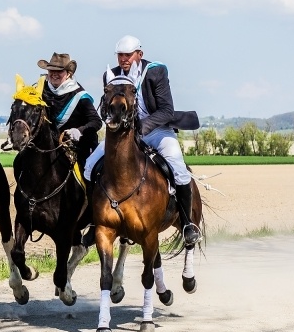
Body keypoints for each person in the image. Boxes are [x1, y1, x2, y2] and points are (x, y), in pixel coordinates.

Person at [83, 35, 202, 244]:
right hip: (124, 134)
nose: (124, 59)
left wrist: (143, 127)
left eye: (128, 55)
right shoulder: (111, 76)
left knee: (179, 169)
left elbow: (166, 110)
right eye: (120, 55)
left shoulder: (155, 72)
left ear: (140, 54)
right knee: (90, 165)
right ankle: (95, 222)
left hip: (157, 130)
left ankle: (186, 224)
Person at [37, 52, 102, 171]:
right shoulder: (40, 89)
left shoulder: (80, 96)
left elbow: (96, 121)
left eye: (59, 71)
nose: (54, 74)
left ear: (68, 74)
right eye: (51, 70)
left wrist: (78, 131)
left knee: (89, 172)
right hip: (48, 146)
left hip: (76, 146)